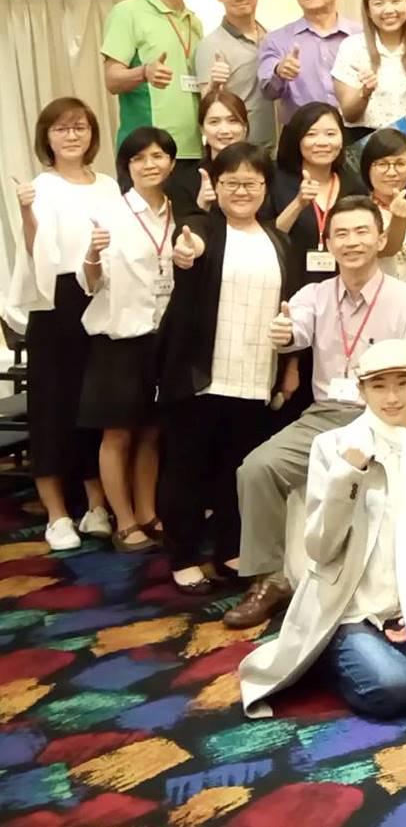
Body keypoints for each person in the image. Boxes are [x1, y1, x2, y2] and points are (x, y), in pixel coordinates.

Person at [224, 198, 406, 631]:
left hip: (384, 414)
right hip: (325, 414)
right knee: (257, 469)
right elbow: (294, 331)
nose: (351, 242)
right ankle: (271, 578)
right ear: (328, 242)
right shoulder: (313, 296)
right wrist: (283, 333)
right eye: (341, 233)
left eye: (361, 232)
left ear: (381, 239)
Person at [239, 340, 406, 720]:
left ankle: (378, 650)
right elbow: (321, 548)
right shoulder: (333, 446)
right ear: (361, 390)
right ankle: (324, 654)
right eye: (378, 386)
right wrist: (348, 474)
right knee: (392, 690)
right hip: (348, 605)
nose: (392, 397)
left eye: (403, 383)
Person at [157, 142, 295, 594]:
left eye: (251, 182)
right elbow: (187, 250)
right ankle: (183, 555)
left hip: (255, 374)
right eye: (231, 182)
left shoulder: (278, 240)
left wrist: (288, 367)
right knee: (186, 467)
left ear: (265, 187)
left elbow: (289, 307)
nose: (241, 191)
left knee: (238, 470)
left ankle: (230, 548)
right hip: (202, 375)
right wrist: (185, 251)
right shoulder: (202, 227)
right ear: (215, 186)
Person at [78, 125, 193, 554]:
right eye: (139, 158)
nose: (150, 165)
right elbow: (90, 283)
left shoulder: (179, 212)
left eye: (158, 156)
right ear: (127, 166)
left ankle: (147, 511)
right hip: (120, 339)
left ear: (172, 162)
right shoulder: (109, 213)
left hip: (163, 335)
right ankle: (124, 521)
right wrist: (92, 254)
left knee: (151, 431)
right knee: (118, 433)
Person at [9, 98, 116, 551]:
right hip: (56, 304)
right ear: (47, 138)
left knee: (95, 407)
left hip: (103, 300)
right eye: (61, 129)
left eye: (80, 127)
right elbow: (35, 251)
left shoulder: (109, 185)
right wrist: (26, 212)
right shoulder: (41, 186)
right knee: (53, 408)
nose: (72, 136)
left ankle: (96, 505)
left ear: (92, 134)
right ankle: (56, 515)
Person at [101, 0, 206, 182]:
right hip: (147, 153)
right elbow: (112, 80)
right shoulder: (128, 12)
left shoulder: (194, 22)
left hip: (191, 150)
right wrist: (144, 72)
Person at [272, 102, 367, 289]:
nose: (322, 142)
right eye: (311, 134)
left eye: (331, 134)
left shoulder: (354, 185)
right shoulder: (276, 181)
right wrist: (298, 203)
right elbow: (268, 238)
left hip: (343, 289)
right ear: (297, 138)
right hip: (288, 287)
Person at [259, 0, 361, 125]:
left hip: (355, 131)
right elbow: (268, 92)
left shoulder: (361, 36)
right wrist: (279, 73)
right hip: (302, 133)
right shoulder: (277, 40)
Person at [332, 0, 406, 154]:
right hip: (364, 144)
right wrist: (364, 93)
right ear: (368, 10)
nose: (388, 10)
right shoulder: (353, 47)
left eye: (395, 1)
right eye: (378, 3)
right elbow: (349, 114)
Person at [195, 0, 273, 148]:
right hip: (235, 151)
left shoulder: (272, 39)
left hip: (274, 149)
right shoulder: (210, 45)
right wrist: (213, 85)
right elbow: (206, 105)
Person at [359, 128, 406, 301]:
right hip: (376, 309)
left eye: (400, 164)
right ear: (367, 167)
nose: (392, 172)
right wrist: (398, 220)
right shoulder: (360, 212)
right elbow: (385, 249)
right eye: (382, 164)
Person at [172, 87, 251, 218]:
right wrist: (201, 207)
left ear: (245, 127)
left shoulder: (267, 172)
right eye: (214, 122)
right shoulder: (185, 180)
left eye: (232, 121)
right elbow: (183, 226)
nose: (224, 130)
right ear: (202, 129)